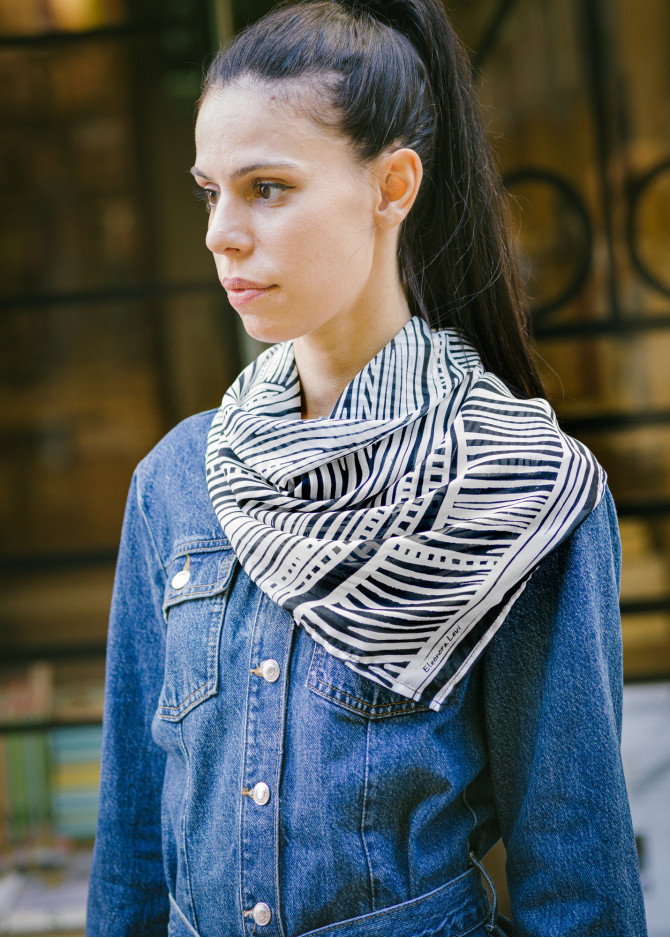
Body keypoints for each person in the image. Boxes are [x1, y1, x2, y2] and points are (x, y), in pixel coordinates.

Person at [86, 1, 647, 935]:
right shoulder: (179, 480)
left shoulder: (521, 488)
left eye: (267, 187)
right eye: (210, 192)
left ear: (393, 186)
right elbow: (134, 848)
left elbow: (577, 881)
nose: (222, 232)